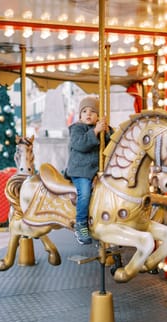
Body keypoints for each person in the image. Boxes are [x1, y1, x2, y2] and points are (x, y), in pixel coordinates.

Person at [66, 96, 111, 245]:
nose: (88, 114)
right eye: (84, 111)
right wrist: (95, 132)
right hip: (80, 171)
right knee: (84, 193)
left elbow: (111, 145)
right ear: (80, 115)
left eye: (93, 111)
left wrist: (107, 130)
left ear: (98, 116)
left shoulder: (100, 129)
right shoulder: (76, 129)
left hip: (97, 172)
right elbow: (80, 145)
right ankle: (81, 225)